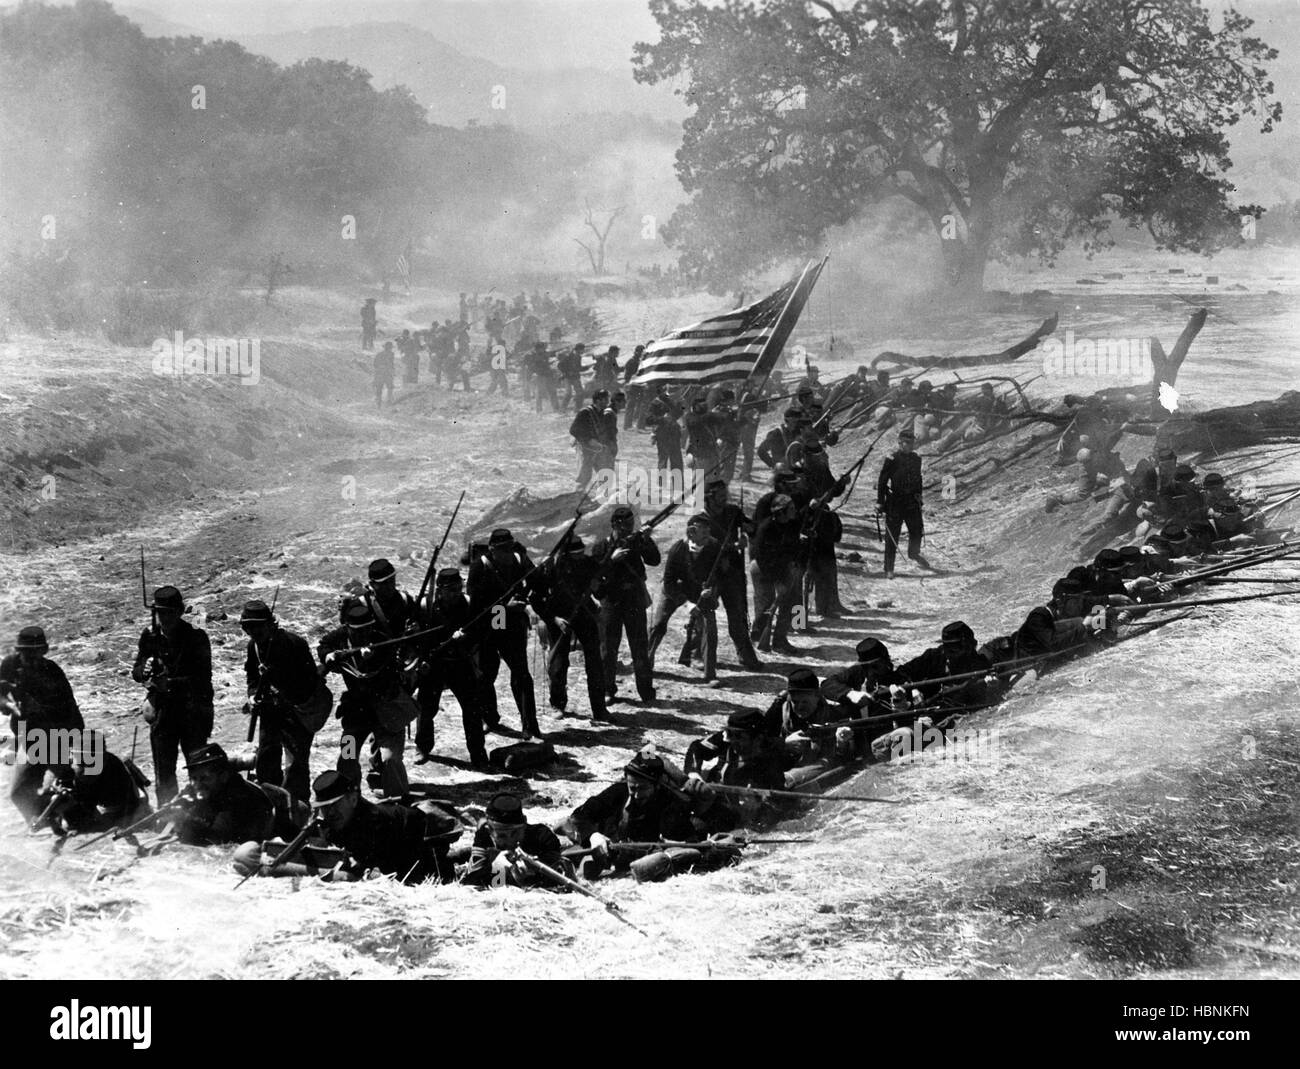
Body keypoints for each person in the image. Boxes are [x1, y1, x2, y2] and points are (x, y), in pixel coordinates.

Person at [566, 752, 732, 882]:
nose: (636, 795)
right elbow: (580, 816)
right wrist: (593, 836)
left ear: (657, 785)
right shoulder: (618, 792)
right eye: (633, 788)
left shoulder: (670, 805)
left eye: (643, 789)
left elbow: (679, 846)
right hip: (604, 844)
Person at [318, 601, 417, 799]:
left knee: (391, 759)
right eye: (358, 631)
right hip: (356, 712)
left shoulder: (382, 642)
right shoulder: (340, 637)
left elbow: (380, 674)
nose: (364, 634)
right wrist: (328, 656)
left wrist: (370, 658)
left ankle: (398, 802)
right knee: (347, 755)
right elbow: (324, 645)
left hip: (386, 711)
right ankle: (350, 799)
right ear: (348, 629)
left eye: (367, 629)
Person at [239, 599, 330, 804]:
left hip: (297, 713)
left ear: (270, 624)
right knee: (266, 760)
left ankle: (298, 808)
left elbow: (310, 682)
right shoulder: (253, 647)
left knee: (295, 765)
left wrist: (280, 689)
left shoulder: (294, 644)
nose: (254, 631)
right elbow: (253, 678)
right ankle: (271, 805)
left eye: (259, 626)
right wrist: (253, 695)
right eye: (249, 627)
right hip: (270, 713)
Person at [131, 586, 213, 805]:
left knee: (197, 766)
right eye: (161, 613)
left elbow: (202, 678)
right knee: (163, 769)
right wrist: (145, 670)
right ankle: (168, 812)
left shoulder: (196, 636)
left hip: (191, 712)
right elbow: (136, 671)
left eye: (169, 612)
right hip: (163, 712)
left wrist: (169, 683)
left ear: (179, 611)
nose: (164, 618)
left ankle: (201, 811)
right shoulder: (150, 636)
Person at [309, 770, 457, 884]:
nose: (330, 812)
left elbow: (369, 874)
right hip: (398, 847)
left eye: (335, 805)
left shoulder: (373, 823)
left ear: (353, 799)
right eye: (325, 807)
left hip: (421, 843)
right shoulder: (340, 818)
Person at [1, 625, 85, 822]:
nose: (30, 659)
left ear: (42, 651)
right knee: (19, 793)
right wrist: (9, 705)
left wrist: (74, 744)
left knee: (68, 787)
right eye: (25, 653)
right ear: (18, 651)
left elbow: (70, 711)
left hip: (53, 736)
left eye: (34, 653)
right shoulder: (10, 664)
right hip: (28, 737)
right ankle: (46, 820)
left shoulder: (52, 673)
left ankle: (81, 818)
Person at [412, 568, 490, 768]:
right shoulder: (425, 607)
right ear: (439, 590)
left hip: (461, 662)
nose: (455, 593)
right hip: (434, 664)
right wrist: (421, 660)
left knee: (472, 709)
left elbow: (482, 632)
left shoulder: (469, 604)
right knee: (426, 707)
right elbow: (416, 638)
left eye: (458, 588)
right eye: (450, 589)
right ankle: (422, 747)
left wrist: (467, 638)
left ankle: (478, 753)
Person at [468, 529, 541, 738]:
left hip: (513, 624)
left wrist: (528, 596)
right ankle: (490, 719)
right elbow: (476, 607)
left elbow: (536, 580)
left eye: (509, 548)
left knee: (522, 676)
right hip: (492, 623)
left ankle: (530, 725)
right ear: (492, 549)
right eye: (502, 550)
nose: (507, 553)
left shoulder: (519, 559)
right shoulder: (480, 567)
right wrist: (505, 608)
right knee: (487, 674)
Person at [528, 535, 608, 722]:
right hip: (560, 618)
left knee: (595, 663)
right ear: (566, 555)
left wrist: (599, 585)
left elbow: (601, 591)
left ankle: (599, 709)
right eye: (576, 554)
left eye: (582, 553)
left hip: (584, 614)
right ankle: (557, 704)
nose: (580, 556)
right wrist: (553, 619)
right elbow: (535, 600)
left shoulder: (589, 564)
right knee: (558, 664)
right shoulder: (551, 569)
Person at [591, 506, 661, 705]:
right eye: (624, 525)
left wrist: (646, 540)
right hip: (611, 601)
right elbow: (594, 577)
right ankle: (607, 690)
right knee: (608, 649)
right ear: (614, 525)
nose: (629, 529)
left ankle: (646, 692)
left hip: (634, 600)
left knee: (639, 648)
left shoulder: (637, 540)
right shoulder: (601, 547)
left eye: (631, 525)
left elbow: (654, 560)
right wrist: (612, 561)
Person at [648, 513, 721, 681]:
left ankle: (710, 675)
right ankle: (646, 663)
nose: (707, 536)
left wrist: (711, 591)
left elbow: (720, 573)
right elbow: (669, 582)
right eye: (703, 533)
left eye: (708, 532)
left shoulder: (714, 547)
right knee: (658, 624)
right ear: (691, 533)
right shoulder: (677, 550)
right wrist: (687, 605)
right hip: (675, 590)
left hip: (701, 592)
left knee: (710, 630)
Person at [32, 731, 148, 836]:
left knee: (67, 820)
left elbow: (86, 801)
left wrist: (68, 797)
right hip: (128, 803)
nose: (72, 757)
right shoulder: (107, 758)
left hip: (119, 814)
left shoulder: (92, 770)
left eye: (75, 754)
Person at [700, 480, 763, 670]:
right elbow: (701, 544)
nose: (724, 497)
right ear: (710, 497)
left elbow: (752, 528)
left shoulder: (733, 511)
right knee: (704, 613)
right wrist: (731, 547)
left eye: (725, 493)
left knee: (738, 614)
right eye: (720, 494)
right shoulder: (700, 518)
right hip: (710, 572)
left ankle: (745, 655)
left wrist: (749, 530)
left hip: (732, 572)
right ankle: (696, 653)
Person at [173, 744, 274, 846]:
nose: (197, 785)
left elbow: (217, 840)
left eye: (205, 778)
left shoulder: (239, 796)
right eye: (193, 779)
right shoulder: (197, 787)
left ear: (224, 776)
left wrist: (185, 819)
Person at [460, 793, 567, 888]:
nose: (510, 841)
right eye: (502, 836)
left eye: (515, 833)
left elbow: (560, 880)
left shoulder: (543, 837)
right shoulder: (485, 836)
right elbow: (468, 884)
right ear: (490, 830)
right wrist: (496, 868)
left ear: (524, 823)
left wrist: (531, 874)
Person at [760, 668, 843, 786]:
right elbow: (761, 740)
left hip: (816, 764)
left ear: (817, 696)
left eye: (805, 702)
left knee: (787, 782)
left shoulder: (832, 713)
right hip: (786, 759)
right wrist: (784, 742)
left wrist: (841, 742)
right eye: (795, 701)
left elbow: (839, 756)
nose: (799, 707)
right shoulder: (781, 708)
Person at [749, 493, 802, 655]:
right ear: (781, 511)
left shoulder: (792, 524)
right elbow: (761, 557)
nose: (795, 511)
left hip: (782, 567)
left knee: (788, 600)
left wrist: (794, 563)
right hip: (763, 569)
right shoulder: (766, 528)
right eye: (791, 509)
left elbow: (794, 547)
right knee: (768, 602)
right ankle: (758, 634)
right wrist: (778, 582)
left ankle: (780, 640)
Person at [896, 621, 993, 708]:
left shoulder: (981, 666)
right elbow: (902, 672)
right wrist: (912, 689)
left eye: (953, 648)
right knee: (917, 727)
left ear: (967, 647)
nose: (947, 652)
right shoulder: (932, 657)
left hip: (956, 718)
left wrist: (992, 688)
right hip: (925, 714)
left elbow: (984, 703)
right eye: (946, 646)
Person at [877, 428, 928, 577]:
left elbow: (918, 479)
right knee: (892, 535)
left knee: (917, 530)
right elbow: (882, 481)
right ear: (900, 443)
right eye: (905, 443)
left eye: (911, 443)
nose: (908, 446)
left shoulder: (916, 459)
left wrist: (919, 495)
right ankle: (889, 568)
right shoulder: (891, 459)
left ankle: (913, 553)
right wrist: (880, 502)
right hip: (895, 502)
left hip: (912, 501)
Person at [820, 637, 896, 716]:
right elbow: (827, 685)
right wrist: (851, 693)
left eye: (875, 666)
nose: (870, 672)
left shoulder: (899, 674)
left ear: (886, 660)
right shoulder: (858, 672)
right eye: (866, 667)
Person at [570, 388, 610, 488]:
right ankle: (577, 497)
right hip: (585, 448)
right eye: (605, 400)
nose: (608, 402)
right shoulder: (585, 412)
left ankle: (603, 497)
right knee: (584, 476)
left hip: (598, 448)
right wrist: (589, 440)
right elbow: (574, 430)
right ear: (598, 400)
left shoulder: (602, 412)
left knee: (604, 473)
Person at [645, 384, 685, 483]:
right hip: (662, 433)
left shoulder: (676, 402)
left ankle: (677, 484)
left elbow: (680, 415)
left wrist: (680, 405)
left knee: (677, 460)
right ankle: (661, 484)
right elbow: (648, 419)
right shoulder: (656, 402)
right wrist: (663, 419)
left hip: (674, 433)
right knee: (663, 460)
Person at [557, 343, 585, 410]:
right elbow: (560, 365)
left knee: (579, 393)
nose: (583, 351)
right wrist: (567, 372)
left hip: (575, 377)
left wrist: (586, 368)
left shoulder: (578, 356)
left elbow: (578, 368)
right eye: (582, 349)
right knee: (569, 393)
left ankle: (577, 408)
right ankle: (562, 409)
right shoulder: (569, 356)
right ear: (578, 349)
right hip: (569, 377)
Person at [373, 342, 396, 408]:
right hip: (385, 373)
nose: (390, 349)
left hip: (382, 373)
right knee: (388, 387)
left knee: (382, 388)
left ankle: (380, 402)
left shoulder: (380, 354)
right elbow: (375, 364)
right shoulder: (390, 354)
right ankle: (386, 402)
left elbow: (375, 364)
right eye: (389, 348)